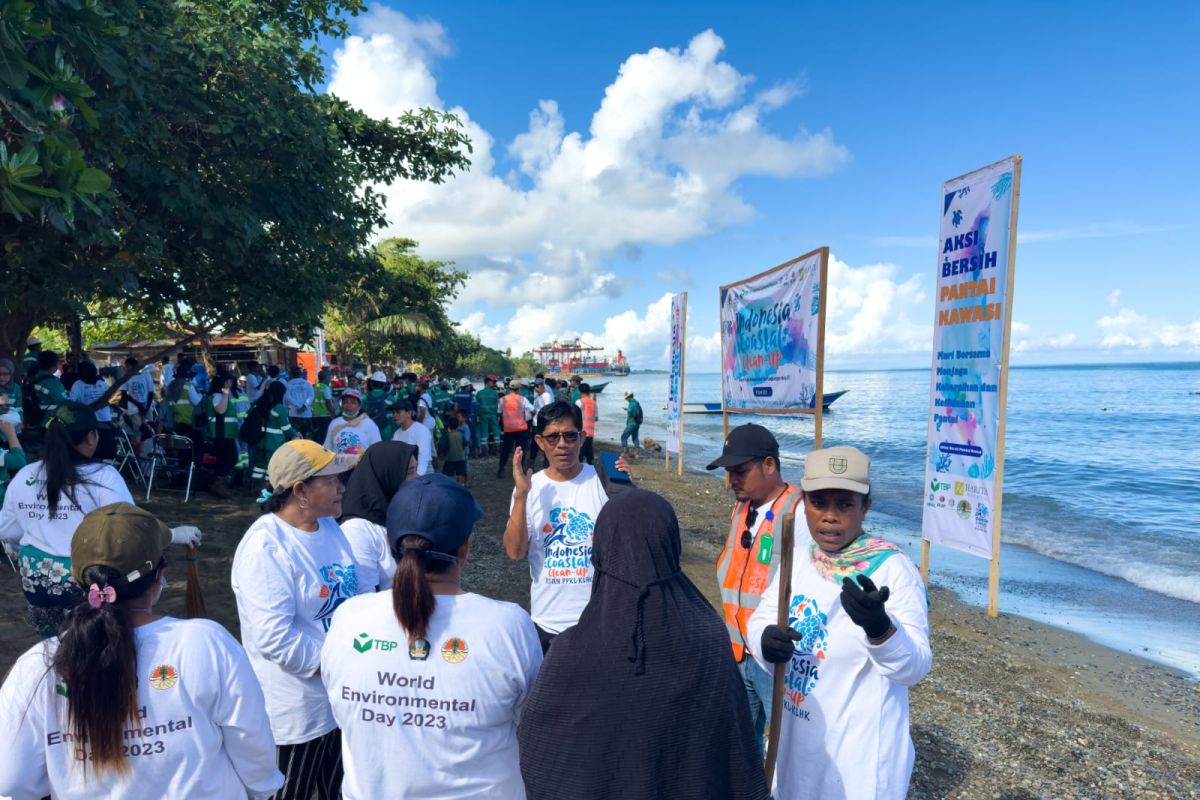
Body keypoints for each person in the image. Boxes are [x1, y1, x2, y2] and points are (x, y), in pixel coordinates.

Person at [0, 503, 282, 798]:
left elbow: (12, 779)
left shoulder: (38, 665)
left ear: (76, 578)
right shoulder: (207, 643)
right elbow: (252, 744)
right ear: (159, 576)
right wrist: (262, 789)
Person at [518, 490, 768, 800]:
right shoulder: (709, 634)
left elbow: (538, 750)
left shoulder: (571, 649)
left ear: (601, 550)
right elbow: (732, 753)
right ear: (671, 545)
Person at [321, 474, 542, 800]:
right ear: (465, 547)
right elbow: (532, 725)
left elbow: (339, 709)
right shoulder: (508, 626)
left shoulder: (350, 619)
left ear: (389, 542)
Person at [747, 446, 932, 800]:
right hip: (797, 744)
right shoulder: (800, 559)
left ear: (866, 507)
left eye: (845, 504)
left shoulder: (893, 569)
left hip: (857, 760)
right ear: (803, 504)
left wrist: (881, 630)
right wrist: (765, 641)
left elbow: (915, 668)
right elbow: (762, 619)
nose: (830, 517)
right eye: (819, 503)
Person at [231, 440, 360, 800]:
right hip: (297, 712)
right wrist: (341, 664)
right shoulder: (266, 547)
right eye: (331, 480)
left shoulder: (330, 527)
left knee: (342, 789)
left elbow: (352, 597)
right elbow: (276, 639)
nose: (342, 487)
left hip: (339, 698)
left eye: (341, 478)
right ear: (301, 490)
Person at [0, 403, 189, 638]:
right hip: (81, 577)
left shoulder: (26, 475)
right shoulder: (103, 477)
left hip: (34, 576)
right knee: (93, 641)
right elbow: (129, 531)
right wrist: (173, 534)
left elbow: (7, 532)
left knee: (52, 642)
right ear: (91, 437)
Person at [706, 423, 805, 755]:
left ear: (769, 465)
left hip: (776, 660)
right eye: (729, 471)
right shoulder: (741, 508)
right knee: (741, 744)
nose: (732, 479)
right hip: (739, 651)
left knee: (790, 744)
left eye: (740, 471)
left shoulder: (800, 512)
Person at [503, 400, 630, 652]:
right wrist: (520, 496)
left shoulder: (604, 482)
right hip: (546, 623)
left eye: (570, 436)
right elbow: (515, 552)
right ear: (540, 442)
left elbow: (630, 544)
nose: (562, 444)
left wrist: (630, 491)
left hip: (599, 620)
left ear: (582, 438)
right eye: (552, 437)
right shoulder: (530, 488)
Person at [338, 441, 417, 592]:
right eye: (410, 472)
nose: (418, 478)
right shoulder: (357, 530)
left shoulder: (398, 513)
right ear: (388, 476)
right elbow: (364, 598)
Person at [250, 380, 298, 482]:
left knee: (259, 466)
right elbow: (286, 428)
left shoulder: (261, 404)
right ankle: (267, 490)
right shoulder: (279, 408)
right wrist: (296, 433)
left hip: (260, 441)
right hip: (274, 443)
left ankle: (254, 488)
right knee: (271, 467)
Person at [202, 373, 240, 498]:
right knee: (231, 457)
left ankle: (218, 484)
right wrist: (225, 393)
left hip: (226, 433)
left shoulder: (223, 396)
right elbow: (221, 410)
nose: (230, 384)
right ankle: (218, 484)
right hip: (220, 433)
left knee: (225, 459)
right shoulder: (217, 396)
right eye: (228, 382)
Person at [323, 388, 381, 456]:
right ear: (341, 406)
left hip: (362, 465)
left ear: (359, 406)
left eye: (353, 402)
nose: (348, 405)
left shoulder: (368, 424)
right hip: (338, 465)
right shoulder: (334, 423)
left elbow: (377, 448)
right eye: (345, 402)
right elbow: (327, 447)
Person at [495, 380, 534, 479]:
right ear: (519, 388)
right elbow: (533, 410)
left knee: (506, 450)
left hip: (508, 429)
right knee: (521, 450)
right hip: (521, 428)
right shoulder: (522, 399)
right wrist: (528, 418)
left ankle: (501, 469)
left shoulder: (502, 399)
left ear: (509, 388)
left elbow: (499, 413)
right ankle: (519, 471)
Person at [391, 399, 433, 476]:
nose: (394, 415)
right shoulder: (396, 434)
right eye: (393, 413)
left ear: (409, 413)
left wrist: (418, 476)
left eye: (398, 412)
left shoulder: (421, 430)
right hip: (407, 474)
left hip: (423, 474)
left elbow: (424, 457)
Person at [27, 349, 68, 424]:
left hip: (32, 418)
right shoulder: (52, 383)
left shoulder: (32, 376)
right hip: (47, 422)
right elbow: (63, 401)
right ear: (54, 365)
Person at [285, 366, 315, 439]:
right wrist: (304, 406)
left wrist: (297, 405)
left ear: (291, 374)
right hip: (306, 414)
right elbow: (311, 396)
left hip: (293, 413)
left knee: (296, 437)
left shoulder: (288, 384)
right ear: (301, 374)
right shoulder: (307, 384)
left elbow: (287, 397)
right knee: (307, 437)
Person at [438, 413, 468, 485]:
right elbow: (466, 444)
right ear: (457, 425)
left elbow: (443, 446)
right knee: (461, 473)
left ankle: (449, 487)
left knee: (447, 475)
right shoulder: (461, 434)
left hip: (450, 458)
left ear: (449, 426)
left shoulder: (447, 435)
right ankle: (462, 487)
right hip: (460, 457)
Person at [475, 374, 501, 456]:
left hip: (483, 416)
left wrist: (477, 415)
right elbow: (497, 406)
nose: (494, 384)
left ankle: (485, 451)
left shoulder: (479, 393)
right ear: (488, 382)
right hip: (493, 415)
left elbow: (476, 406)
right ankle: (497, 449)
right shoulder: (495, 393)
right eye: (493, 382)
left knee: (484, 432)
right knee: (496, 431)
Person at [575, 382, 598, 465]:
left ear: (580, 391)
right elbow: (596, 418)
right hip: (591, 433)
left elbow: (574, 416)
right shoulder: (594, 403)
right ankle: (593, 472)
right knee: (589, 455)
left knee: (579, 456)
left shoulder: (579, 402)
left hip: (581, 433)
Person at [312, 369, 335, 444]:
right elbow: (329, 402)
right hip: (324, 415)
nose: (329, 379)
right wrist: (333, 414)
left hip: (314, 415)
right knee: (324, 436)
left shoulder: (315, 386)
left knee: (316, 435)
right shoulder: (325, 388)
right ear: (325, 378)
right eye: (328, 377)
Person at [0, 356, 25, 423]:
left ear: (11, 374)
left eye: (5, 374)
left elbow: (19, 407)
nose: (1, 377)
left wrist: (21, 420)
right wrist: (2, 411)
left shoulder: (16, 388)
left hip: (12, 422)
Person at [621, 390, 643, 458]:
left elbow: (635, 413)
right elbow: (638, 412)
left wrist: (630, 412)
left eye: (626, 398)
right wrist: (628, 410)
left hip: (632, 423)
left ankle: (625, 452)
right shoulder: (636, 402)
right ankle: (637, 453)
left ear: (628, 397)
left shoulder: (632, 403)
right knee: (635, 438)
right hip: (636, 424)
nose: (626, 400)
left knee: (623, 437)